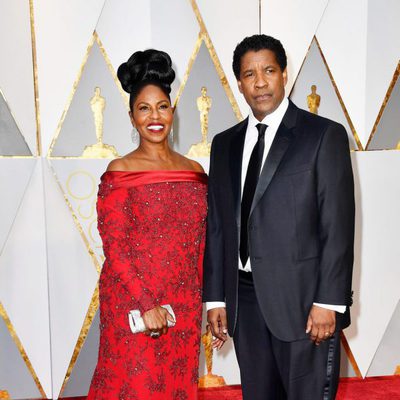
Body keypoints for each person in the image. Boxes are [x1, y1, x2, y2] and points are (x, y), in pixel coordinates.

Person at [203, 35, 355, 400]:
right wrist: (215, 299)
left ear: (284, 74)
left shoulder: (322, 136)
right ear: (238, 82)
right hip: (244, 303)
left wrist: (329, 302)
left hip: (305, 306)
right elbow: (219, 227)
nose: (259, 82)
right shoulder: (224, 144)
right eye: (249, 74)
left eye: (268, 70)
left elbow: (337, 226)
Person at [87, 49, 207, 400]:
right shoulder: (120, 171)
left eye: (162, 106)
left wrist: (213, 303)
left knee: (176, 389)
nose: (155, 116)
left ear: (172, 111)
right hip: (133, 303)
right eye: (144, 108)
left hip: (184, 304)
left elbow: (201, 244)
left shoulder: (196, 172)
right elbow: (116, 248)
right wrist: (145, 303)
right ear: (131, 117)